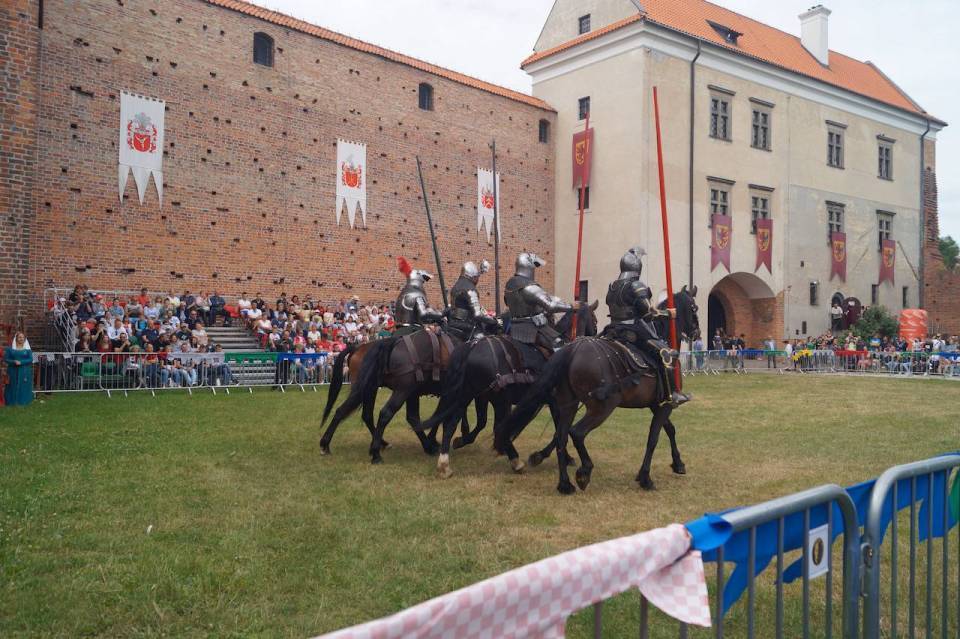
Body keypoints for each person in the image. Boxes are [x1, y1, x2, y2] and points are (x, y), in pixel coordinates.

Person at [600, 246, 689, 407]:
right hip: (634, 331)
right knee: (668, 353)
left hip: (613, 330)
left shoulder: (613, 287)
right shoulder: (636, 286)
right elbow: (649, 313)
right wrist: (669, 314)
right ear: (637, 267)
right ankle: (673, 394)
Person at [503, 252, 572, 352]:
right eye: (534, 266)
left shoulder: (510, 284)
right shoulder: (528, 286)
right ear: (529, 266)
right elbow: (551, 306)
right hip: (532, 328)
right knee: (560, 345)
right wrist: (571, 307)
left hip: (514, 327)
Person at [446, 259, 499, 340]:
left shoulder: (455, 286)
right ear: (472, 277)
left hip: (453, 323)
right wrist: (494, 321)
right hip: (468, 326)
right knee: (484, 341)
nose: (477, 279)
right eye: (476, 277)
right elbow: (477, 314)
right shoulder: (470, 289)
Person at [393, 257, 444, 336]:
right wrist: (441, 314)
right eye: (422, 281)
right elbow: (423, 314)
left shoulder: (403, 294)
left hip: (398, 331)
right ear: (418, 280)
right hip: (413, 331)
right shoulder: (417, 294)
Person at [4, 332, 33, 406]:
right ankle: (11, 401)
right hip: (12, 370)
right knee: (12, 385)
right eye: (20, 337)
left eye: (23, 337)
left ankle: (24, 401)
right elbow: (6, 359)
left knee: (24, 385)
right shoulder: (10, 349)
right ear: (16, 338)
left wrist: (21, 362)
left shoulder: (27, 349)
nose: (21, 339)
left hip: (24, 370)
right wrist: (13, 361)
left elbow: (30, 359)